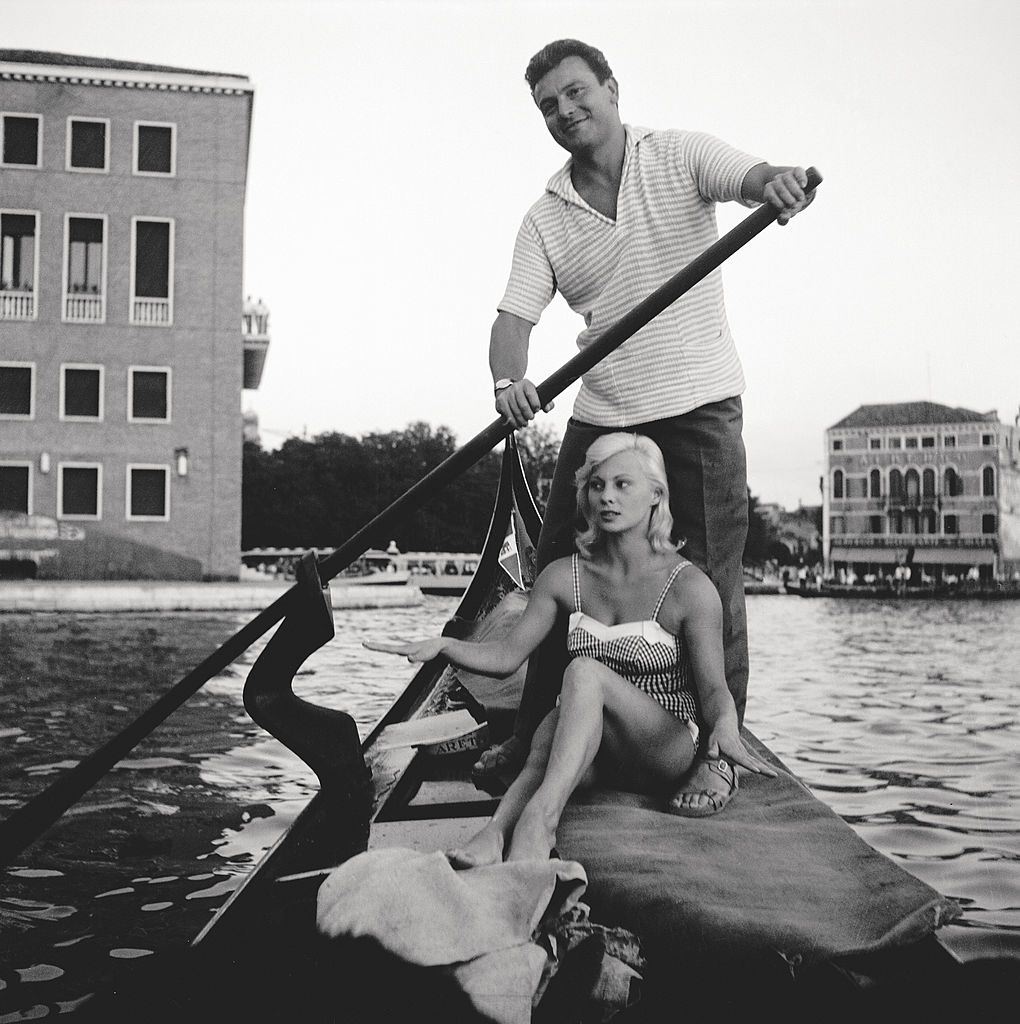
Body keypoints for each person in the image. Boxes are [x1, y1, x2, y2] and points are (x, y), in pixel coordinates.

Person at [475, 38, 814, 798]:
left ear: (611, 88)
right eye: (548, 106)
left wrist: (779, 186)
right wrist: (508, 380)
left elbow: (752, 177)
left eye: (574, 93)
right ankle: (536, 734)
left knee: (714, 585)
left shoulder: (679, 155)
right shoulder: (545, 218)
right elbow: (512, 319)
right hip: (606, 411)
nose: (564, 111)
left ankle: (717, 759)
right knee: (556, 573)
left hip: (699, 404)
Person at [366, 433, 776, 865]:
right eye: (596, 485)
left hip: (663, 748)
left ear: (656, 495)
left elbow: (713, 689)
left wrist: (726, 726)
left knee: (582, 672)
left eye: (622, 485)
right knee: (550, 729)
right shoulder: (564, 576)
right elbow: (507, 658)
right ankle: (492, 834)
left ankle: (538, 823)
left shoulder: (690, 587)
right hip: (598, 747)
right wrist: (445, 645)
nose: (606, 498)